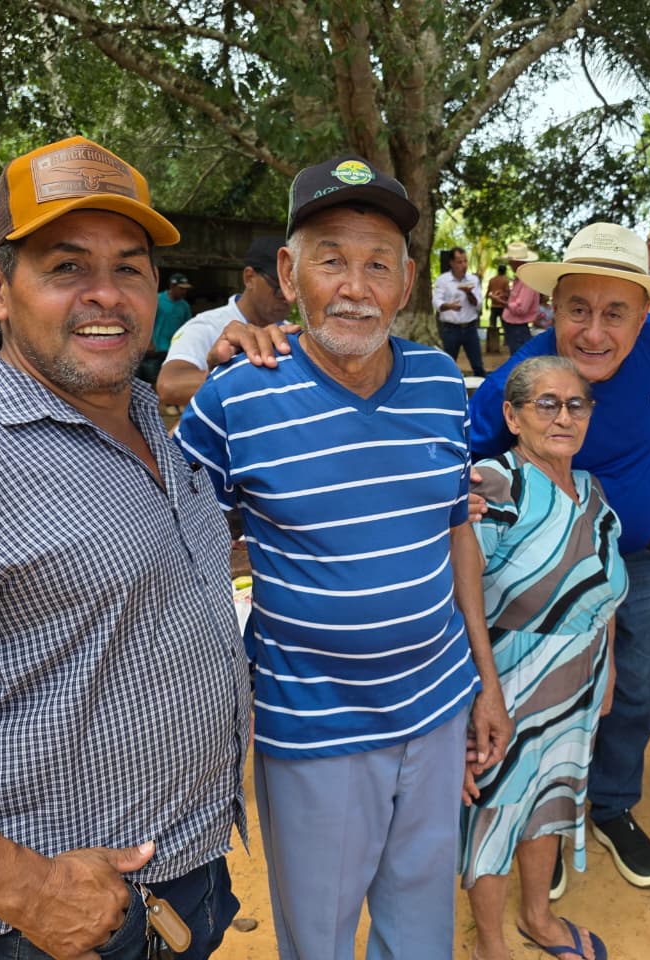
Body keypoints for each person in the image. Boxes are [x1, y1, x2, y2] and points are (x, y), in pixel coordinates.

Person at [0, 135, 252, 959]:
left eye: (129, 268)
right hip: (62, 928)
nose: (107, 295)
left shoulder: (144, 420)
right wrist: (30, 892)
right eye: (67, 267)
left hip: (193, 879)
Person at [175, 153, 511, 960]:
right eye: (331, 259)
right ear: (289, 273)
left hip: (435, 714)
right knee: (320, 941)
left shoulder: (438, 382)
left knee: (422, 930)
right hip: (313, 732)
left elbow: (454, 530)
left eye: (376, 264)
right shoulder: (235, 398)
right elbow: (180, 559)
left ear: (405, 282)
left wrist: (484, 680)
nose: (355, 287)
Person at [468, 223, 650, 896]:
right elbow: (463, 459)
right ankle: (543, 823)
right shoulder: (519, 380)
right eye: (577, 310)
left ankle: (613, 805)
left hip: (637, 561)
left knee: (638, 690)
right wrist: (467, 499)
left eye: (614, 311)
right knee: (543, 700)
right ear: (551, 309)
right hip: (541, 582)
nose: (594, 332)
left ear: (644, 315)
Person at [462, 355, 627, 960]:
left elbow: (600, 590)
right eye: (546, 404)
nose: (563, 416)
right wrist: (484, 688)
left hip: (577, 677)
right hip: (508, 675)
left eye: (576, 404)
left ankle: (538, 915)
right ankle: (491, 943)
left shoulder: (589, 488)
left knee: (550, 798)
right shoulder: (494, 483)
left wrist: (604, 671)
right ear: (512, 414)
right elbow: (464, 594)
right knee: (498, 810)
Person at [156, 235, 290, 409]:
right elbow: (169, 386)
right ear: (249, 278)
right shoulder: (207, 327)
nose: (288, 297)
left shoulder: (288, 333)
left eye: (294, 287)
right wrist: (247, 379)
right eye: (279, 287)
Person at [433, 245, 487, 377]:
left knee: (478, 365)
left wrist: (469, 294)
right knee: (447, 365)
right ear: (451, 263)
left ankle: (482, 394)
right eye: (459, 262)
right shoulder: (443, 280)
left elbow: (478, 305)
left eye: (465, 261)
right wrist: (450, 306)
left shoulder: (473, 280)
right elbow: (436, 302)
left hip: (470, 328)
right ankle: (446, 393)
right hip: (451, 329)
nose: (463, 265)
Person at [140, 271, 193, 382]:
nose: (184, 292)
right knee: (152, 382)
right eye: (181, 288)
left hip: (172, 352)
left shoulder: (184, 306)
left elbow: (187, 328)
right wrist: (148, 343)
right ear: (172, 286)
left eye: (185, 289)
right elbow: (145, 322)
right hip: (155, 350)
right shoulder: (157, 300)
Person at [501, 240, 541, 355]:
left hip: (518, 329)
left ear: (517, 262)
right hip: (515, 328)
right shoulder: (520, 279)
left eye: (511, 261)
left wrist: (503, 303)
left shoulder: (527, 280)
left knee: (519, 360)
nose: (509, 263)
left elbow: (521, 309)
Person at [485, 263, 511, 351]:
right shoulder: (505, 280)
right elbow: (507, 292)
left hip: (494, 304)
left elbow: (488, 292)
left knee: (492, 325)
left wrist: (486, 303)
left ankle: (492, 343)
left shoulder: (492, 280)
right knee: (505, 325)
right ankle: (506, 341)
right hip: (502, 305)